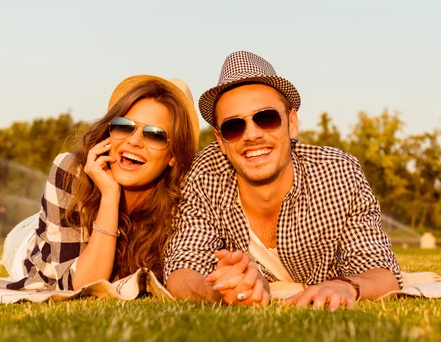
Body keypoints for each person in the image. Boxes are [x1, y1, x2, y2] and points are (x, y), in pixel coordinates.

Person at [164, 51, 402, 310]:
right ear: (220, 141)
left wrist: (345, 286)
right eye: (234, 126)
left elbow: (383, 273)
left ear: (291, 123)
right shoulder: (204, 174)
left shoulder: (338, 172)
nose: (252, 135)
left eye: (266, 118)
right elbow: (182, 268)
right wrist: (216, 291)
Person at [0, 75, 199, 291]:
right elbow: (84, 285)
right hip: (33, 244)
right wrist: (110, 195)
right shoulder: (71, 170)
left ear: (174, 155)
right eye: (125, 126)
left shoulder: (184, 196)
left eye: (155, 134)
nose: (134, 141)